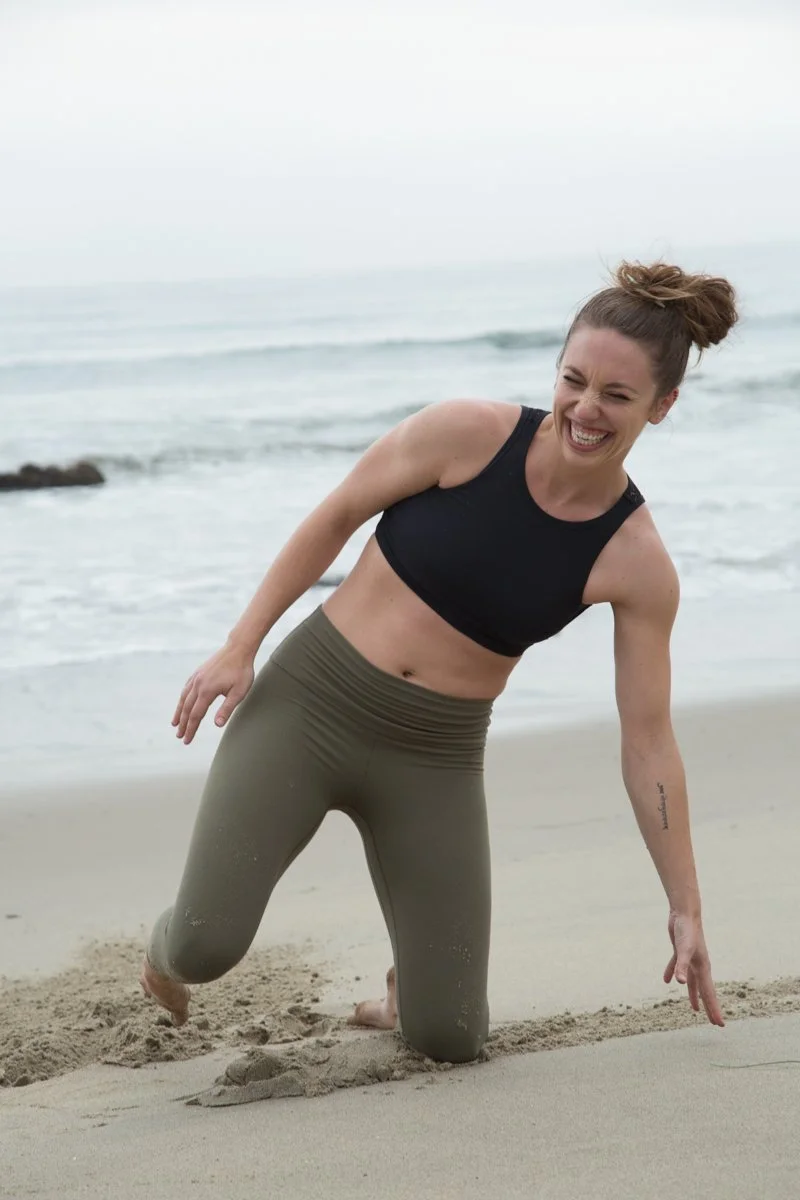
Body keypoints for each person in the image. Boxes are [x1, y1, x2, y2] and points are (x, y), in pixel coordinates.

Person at [141, 260, 737, 1063]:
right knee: (204, 947)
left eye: (618, 396)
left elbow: (650, 743)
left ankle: (401, 992)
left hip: (435, 758)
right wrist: (240, 646)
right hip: (310, 705)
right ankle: (161, 948)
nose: (586, 410)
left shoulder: (634, 562)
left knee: (450, 1037)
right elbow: (337, 514)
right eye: (574, 380)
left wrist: (686, 905)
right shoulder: (464, 434)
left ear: (662, 407)